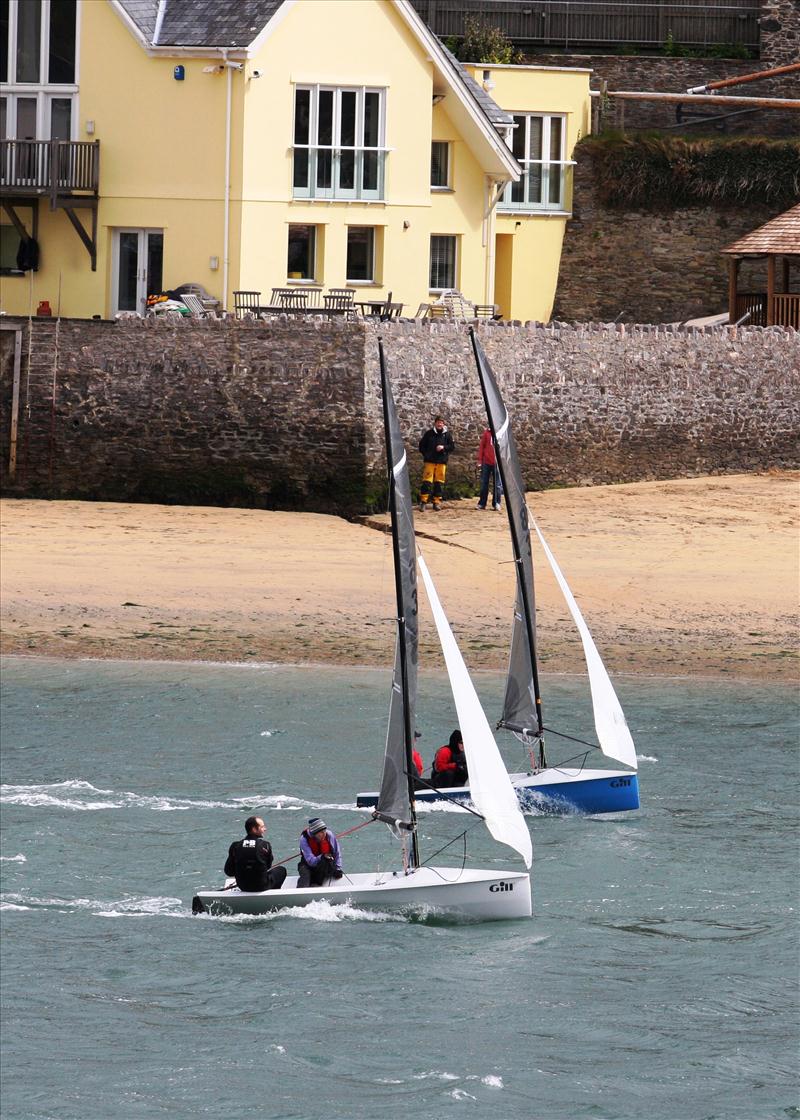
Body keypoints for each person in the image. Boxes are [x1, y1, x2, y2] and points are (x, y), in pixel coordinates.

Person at [224, 816, 287, 892]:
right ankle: (271, 895)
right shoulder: (265, 845)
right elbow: (268, 867)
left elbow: (229, 871)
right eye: (262, 827)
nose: (265, 829)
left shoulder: (235, 845)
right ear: (254, 829)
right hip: (261, 886)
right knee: (281, 870)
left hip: (243, 886)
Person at [418, 416, 454, 512]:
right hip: (430, 461)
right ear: (435, 423)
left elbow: (452, 447)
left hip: (441, 462)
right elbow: (421, 446)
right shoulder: (429, 434)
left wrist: (443, 448)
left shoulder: (447, 435)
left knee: (439, 483)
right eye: (438, 422)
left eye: (441, 422)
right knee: (427, 482)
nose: (439, 424)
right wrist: (427, 455)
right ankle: (423, 502)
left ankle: (436, 502)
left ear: (443, 424)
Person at [297, 817, 343, 887]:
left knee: (331, 869)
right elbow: (311, 862)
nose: (324, 834)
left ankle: (317, 884)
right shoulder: (304, 839)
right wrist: (322, 856)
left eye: (324, 830)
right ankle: (301, 892)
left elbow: (337, 853)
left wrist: (338, 869)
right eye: (321, 832)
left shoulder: (329, 835)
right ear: (314, 833)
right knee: (305, 875)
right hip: (307, 865)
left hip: (324, 865)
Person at [476, 427, 502, 511]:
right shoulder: (486, 433)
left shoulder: (500, 432)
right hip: (486, 462)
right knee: (484, 484)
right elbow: (482, 447)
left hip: (497, 463)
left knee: (497, 485)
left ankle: (496, 503)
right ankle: (482, 503)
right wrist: (480, 460)